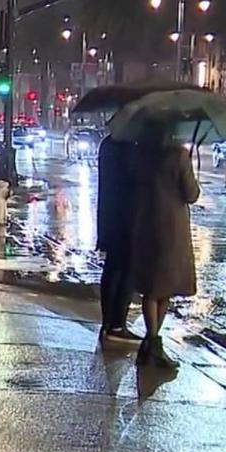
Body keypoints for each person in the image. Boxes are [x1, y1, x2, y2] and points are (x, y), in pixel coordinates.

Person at [130, 121, 201, 368]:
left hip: (145, 222)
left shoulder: (139, 155)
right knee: (165, 287)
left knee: (151, 286)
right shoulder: (179, 155)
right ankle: (153, 343)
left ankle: (151, 342)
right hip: (172, 227)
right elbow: (191, 194)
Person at [96, 132, 140, 345]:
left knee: (112, 269)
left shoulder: (108, 144)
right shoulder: (127, 147)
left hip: (110, 214)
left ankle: (109, 322)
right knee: (125, 270)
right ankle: (117, 324)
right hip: (126, 217)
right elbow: (134, 179)